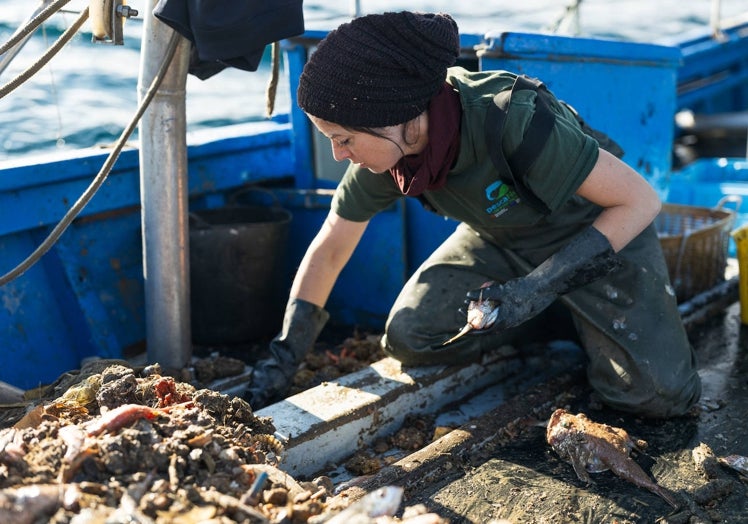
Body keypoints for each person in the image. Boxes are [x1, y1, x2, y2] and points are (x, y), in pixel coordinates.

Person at [244, 11, 701, 417]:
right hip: (501, 238)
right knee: (410, 337)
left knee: (656, 397)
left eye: (343, 139)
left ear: (397, 116)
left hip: (594, 236)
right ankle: (557, 317)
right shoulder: (386, 156)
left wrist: (540, 286)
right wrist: (285, 354)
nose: (338, 155)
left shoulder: (512, 119)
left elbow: (640, 201)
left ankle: (568, 308)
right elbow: (330, 248)